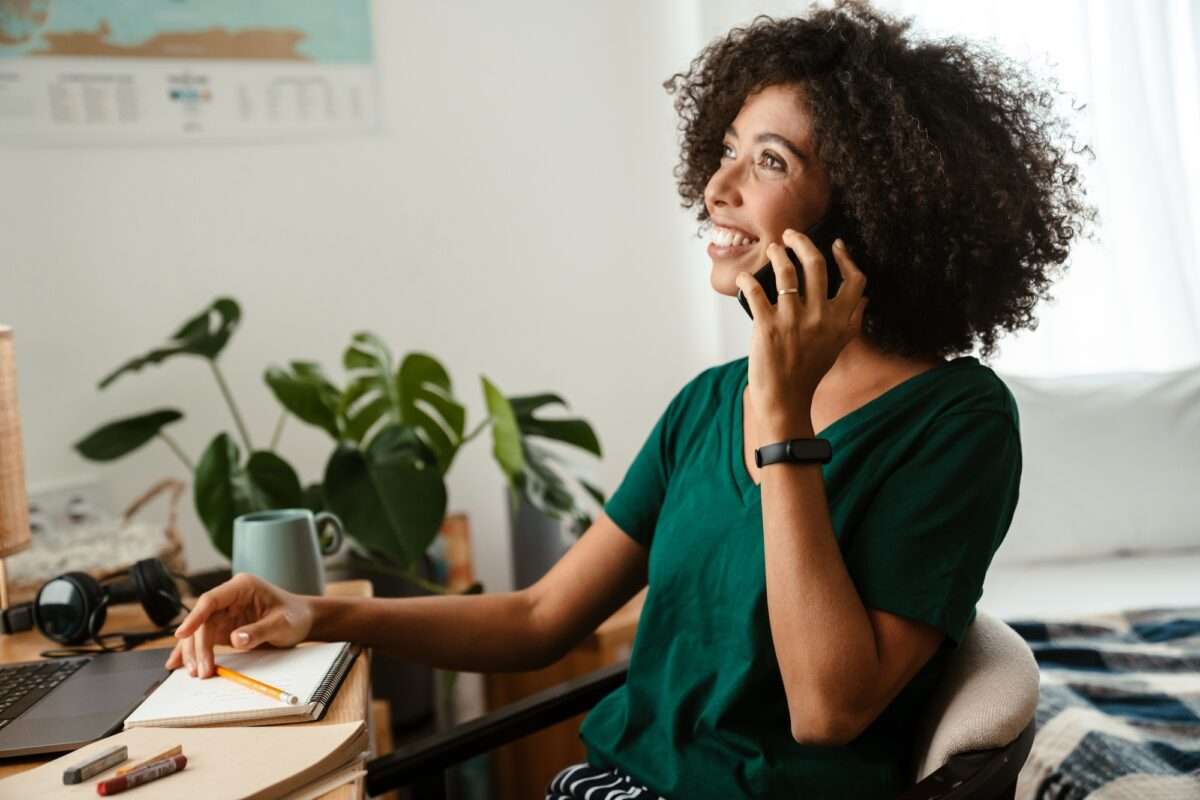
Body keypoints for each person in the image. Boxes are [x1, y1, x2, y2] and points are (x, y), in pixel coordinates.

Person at [168, 1, 1094, 797]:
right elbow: (541, 619)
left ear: (870, 207)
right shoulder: (706, 404)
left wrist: (782, 420)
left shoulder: (957, 423)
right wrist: (316, 611)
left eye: (767, 163)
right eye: (724, 151)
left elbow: (827, 709)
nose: (715, 188)